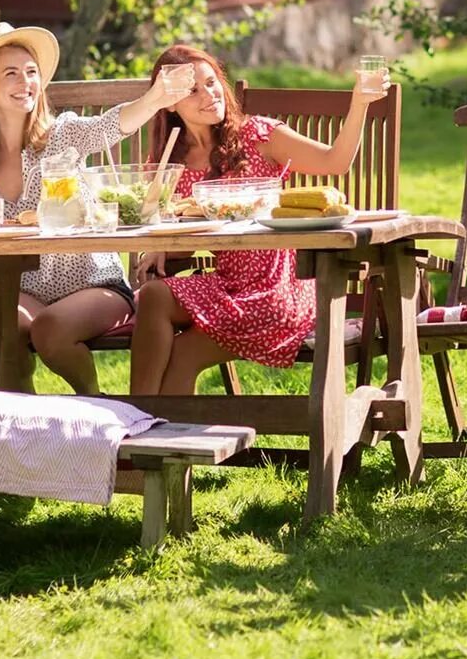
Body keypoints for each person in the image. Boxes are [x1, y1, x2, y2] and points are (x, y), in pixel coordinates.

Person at [126, 44, 388, 396]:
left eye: (211, 82)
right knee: (155, 295)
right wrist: (160, 248)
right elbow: (174, 224)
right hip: (226, 285)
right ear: (168, 102)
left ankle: (155, 432)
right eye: (192, 90)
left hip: (279, 291)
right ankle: (137, 424)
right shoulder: (169, 160)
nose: (209, 95)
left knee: (184, 355)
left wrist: (359, 104)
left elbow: (334, 162)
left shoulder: (258, 136)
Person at [0, 22, 191, 394]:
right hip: (16, 285)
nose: (25, 82)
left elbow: (110, 127)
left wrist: (155, 98)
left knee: (50, 330)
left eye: (31, 73)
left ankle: (97, 408)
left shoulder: (63, 134)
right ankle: (25, 431)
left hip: (92, 282)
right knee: (2, 332)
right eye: (10, 73)